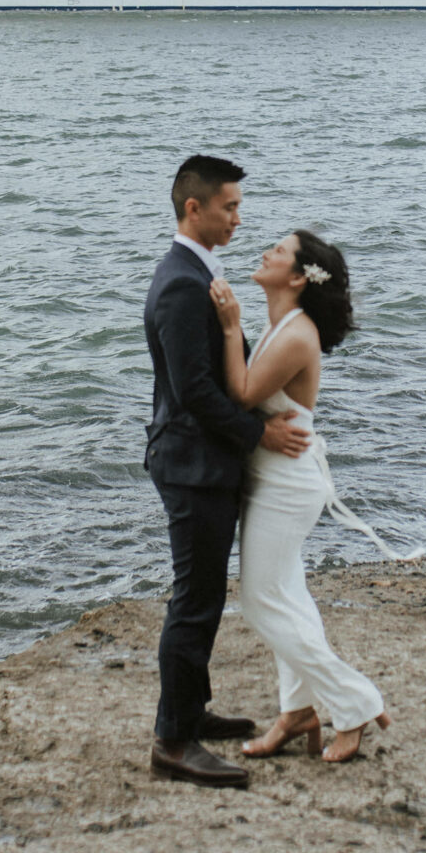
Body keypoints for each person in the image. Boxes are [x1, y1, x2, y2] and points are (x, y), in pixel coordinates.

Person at [143, 155, 310, 790]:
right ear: (195, 208)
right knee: (195, 600)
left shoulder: (196, 271)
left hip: (199, 460)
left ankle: (193, 711)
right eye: (230, 208)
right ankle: (173, 742)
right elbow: (193, 393)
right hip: (191, 464)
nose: (239, 219)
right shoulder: (184, 283)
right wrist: (258, 432)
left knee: (205, 595)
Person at [208, 230, 395, 763]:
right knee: (289, 595)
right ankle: (296, 711)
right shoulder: (284, 325)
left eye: (279, 250)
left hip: (287, 486)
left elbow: (243, 393)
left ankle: (355, 702)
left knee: (260, 600)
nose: (265, 251)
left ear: (297, 277)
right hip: (277, 475)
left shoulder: (296, 333)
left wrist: (228, 328)